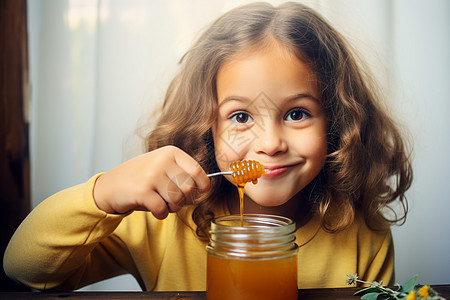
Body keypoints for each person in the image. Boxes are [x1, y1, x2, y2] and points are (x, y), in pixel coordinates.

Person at [4, 2, 412, 291]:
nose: (269, 144)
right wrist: (104, 192)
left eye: (296, 114)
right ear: (207, 129)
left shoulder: (361, 231)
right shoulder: (162, 222)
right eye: (240, 117)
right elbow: (23, 268)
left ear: (337, 123)